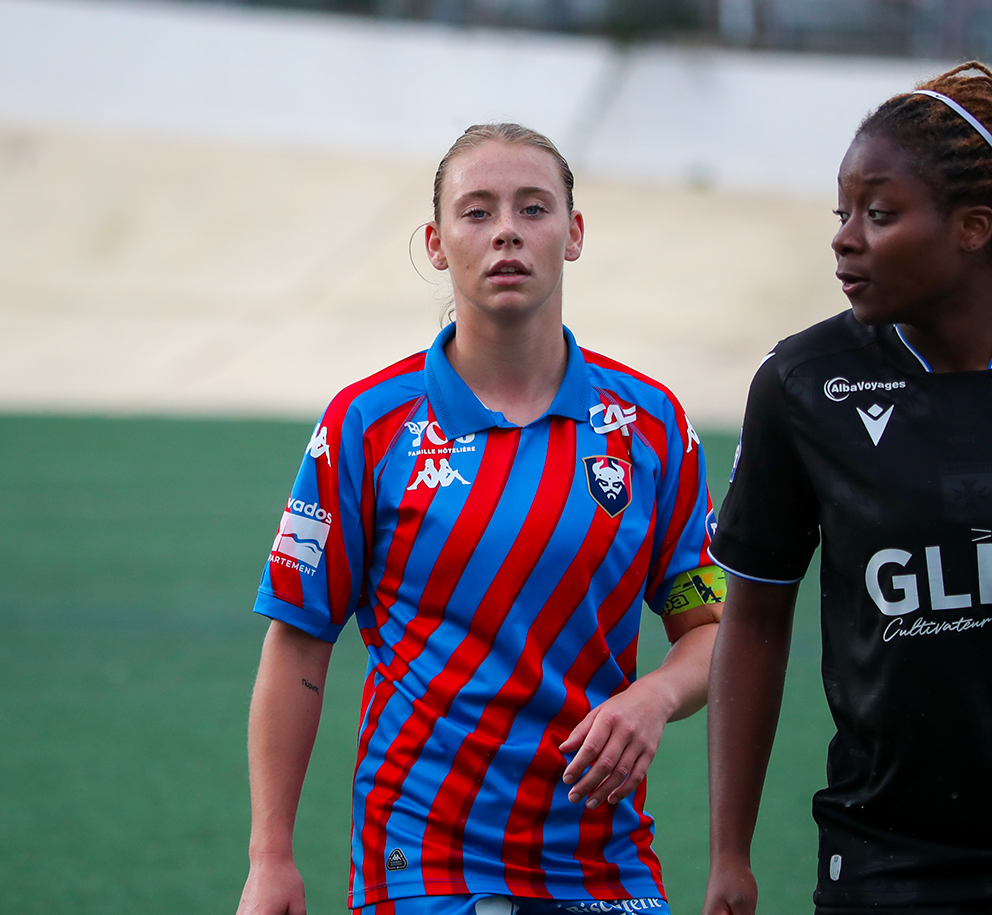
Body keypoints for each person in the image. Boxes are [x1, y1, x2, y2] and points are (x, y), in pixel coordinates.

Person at [236, 123, 724, 915]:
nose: (506, 230)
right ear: (435, 243)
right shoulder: (365, 424)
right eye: (477, 211)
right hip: (427, 855)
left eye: (533, 208)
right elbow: (298, 638)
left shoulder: (653, 425)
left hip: (604, 857)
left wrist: (654, 697)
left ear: (573, 234)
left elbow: (709, 629)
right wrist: (270, 857)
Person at [700, 63, 992, 915]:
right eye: (843, 213)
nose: (844, 237)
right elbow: (754, 619)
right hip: (885, 860)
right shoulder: (802, 384)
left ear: (973, 227)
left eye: (880, 212)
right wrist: (729, 850)